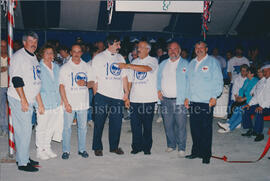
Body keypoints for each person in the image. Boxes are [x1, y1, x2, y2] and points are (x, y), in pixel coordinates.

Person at [184, 41, 223, 164]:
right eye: (196, 47)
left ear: (206, 49)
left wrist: (214, 96)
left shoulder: (212, 62)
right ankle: (196, 152)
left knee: (206, 129)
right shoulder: (191, 63)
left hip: (207, 101)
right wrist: (187, 97)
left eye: (201, 47)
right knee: (195, 129)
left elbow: (218, 80)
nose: (199, 49)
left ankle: (206, 155)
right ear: (194, 50)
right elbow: (188, 83)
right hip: (193, 101)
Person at [7, 31, 41, 172]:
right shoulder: (19, 57)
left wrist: (38, 101)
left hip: (30, 99)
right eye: (31, 41)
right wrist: (24, 100)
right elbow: (17, 79)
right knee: (23, 131)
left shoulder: (33, 57)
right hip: (20, 98)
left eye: (35, 42)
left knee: (27, 130)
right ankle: (22, 163)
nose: (33, 44)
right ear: (24, 42)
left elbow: (35, 79)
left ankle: (24, 156)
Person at [118, 41, 158, 155]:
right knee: (135, 125)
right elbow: (130, 81)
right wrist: (127, 97)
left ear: (148, 49)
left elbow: (146, 69)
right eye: (138, 47)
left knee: (147, 125)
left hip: (148, 99)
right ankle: (136, 146)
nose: (138, 49)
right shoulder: (134, 61)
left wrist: (127, 65)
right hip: (135, 99)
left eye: (141, 47)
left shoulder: (153, 60)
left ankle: (146, 147)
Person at [91, 35, 129, 156]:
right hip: (102, 95)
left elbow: (124, 76)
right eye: (117, 44)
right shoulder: (99, 58)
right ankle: (97, 147)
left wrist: (126, 92)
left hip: (117, 96)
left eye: (119, 44)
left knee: (116, 123)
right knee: (99, 123)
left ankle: (114, 147)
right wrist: (95, 95)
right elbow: (94, 78)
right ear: (110, 44)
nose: (119, 46)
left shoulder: (121, 58)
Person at [59, 44, 94, 159]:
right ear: (70, 53)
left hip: (83, 103)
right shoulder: (65, 67)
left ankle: (82, 149)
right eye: (74, 51)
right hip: (69, 103)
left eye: (79, 51)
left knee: (83, 128)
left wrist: (85, 83)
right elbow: (61, 87)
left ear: (81, 53)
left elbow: (92, 83)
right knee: (66, 128)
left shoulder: (87, 66)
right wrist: (66, 102)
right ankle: (66, 150)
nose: (76, 54)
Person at [157, 42, 189, 157]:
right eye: (170, 49)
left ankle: (181, 147)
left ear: (179, 51)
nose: (172, 51)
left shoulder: (186, 64)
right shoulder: (163, 64)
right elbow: (158, 78)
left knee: (181, 125)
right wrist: (158, 90)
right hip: (165, 100)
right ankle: (171, 144)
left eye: (175, 49)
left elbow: (190, 82)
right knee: (168, 124)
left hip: (179, 101)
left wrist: (187, 97)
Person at [35, 44, 62, 160]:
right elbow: (35, 87)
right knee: (42, 127)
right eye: (47, 53)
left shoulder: (56, 67)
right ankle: (40, 150)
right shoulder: (38, 67)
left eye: (52, 53)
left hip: (55, 102)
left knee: (51, 127)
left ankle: (47, 147)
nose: (50, 55)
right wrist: (40, 104)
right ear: (42, 54)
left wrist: (61, 99)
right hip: (43, 102)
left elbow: (60, 84)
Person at [217, 67, 258, 133]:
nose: (246, 73)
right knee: (237, 109)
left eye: (248, 72)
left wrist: (243, 99)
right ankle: (228, 124)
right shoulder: (247, 80)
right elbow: (241, 89)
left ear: (252, 74)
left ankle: (230, 128)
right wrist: (239, 97)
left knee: (241, 110)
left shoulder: (256, 81)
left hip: (252, 101)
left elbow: (253, 94)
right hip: (244, 99)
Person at [241, 64, 270, 142]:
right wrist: (249, 104)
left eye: (267, 70)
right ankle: (251, 129)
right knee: (246, 109)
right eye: (264, 70)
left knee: (258, 111)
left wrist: (262, 106)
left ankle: (259, 133)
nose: (265, 72)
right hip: (260, 105)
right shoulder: (261, 82)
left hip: (268, 106)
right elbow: (256, 96)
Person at [0, 40, 9, 136]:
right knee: (1, 109)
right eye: (1, 46)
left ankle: (8, 127)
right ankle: (3, 128)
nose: (3, 48)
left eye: (4, 46)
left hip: (10, 86)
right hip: (1, 87)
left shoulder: (11, 57)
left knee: (8, 109)